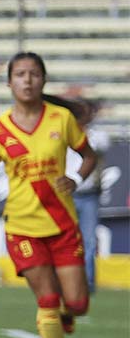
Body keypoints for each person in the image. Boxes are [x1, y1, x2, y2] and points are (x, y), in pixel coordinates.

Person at [0, 52, 97, 338]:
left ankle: (69, 314)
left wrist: (75, 178)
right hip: (23, 228)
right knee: (47, 300)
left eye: (33, 74)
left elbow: (88, 156)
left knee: (77, 304)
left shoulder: (61, 119)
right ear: (9, 83)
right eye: (20, 74)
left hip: (62, 225)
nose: (27, 80)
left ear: (43, 80)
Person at [64, 98, 109, 294]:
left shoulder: (97, 136)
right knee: (65, 240)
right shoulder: (62, 132)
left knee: (89, 241)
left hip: (89, 194)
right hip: (67, 194)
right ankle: (67, 281)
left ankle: (87, 284)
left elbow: (97, 148)